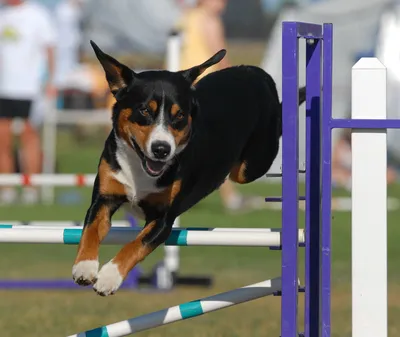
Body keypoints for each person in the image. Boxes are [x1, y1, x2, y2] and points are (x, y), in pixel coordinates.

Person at [176, 0, 266, 213]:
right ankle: (229, 197)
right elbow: (220, 56)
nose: (224, 3)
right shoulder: (209, 20)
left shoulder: (187, 17)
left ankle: (226, 196)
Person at [0, 0, 57, 204]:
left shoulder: (37, 15)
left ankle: (30, 186)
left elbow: (50, 49)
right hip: (3, 87)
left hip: (29, 88)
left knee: (28, 136)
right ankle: (6, 186)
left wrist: (50, 80)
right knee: (2, 137)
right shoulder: (2, 14)